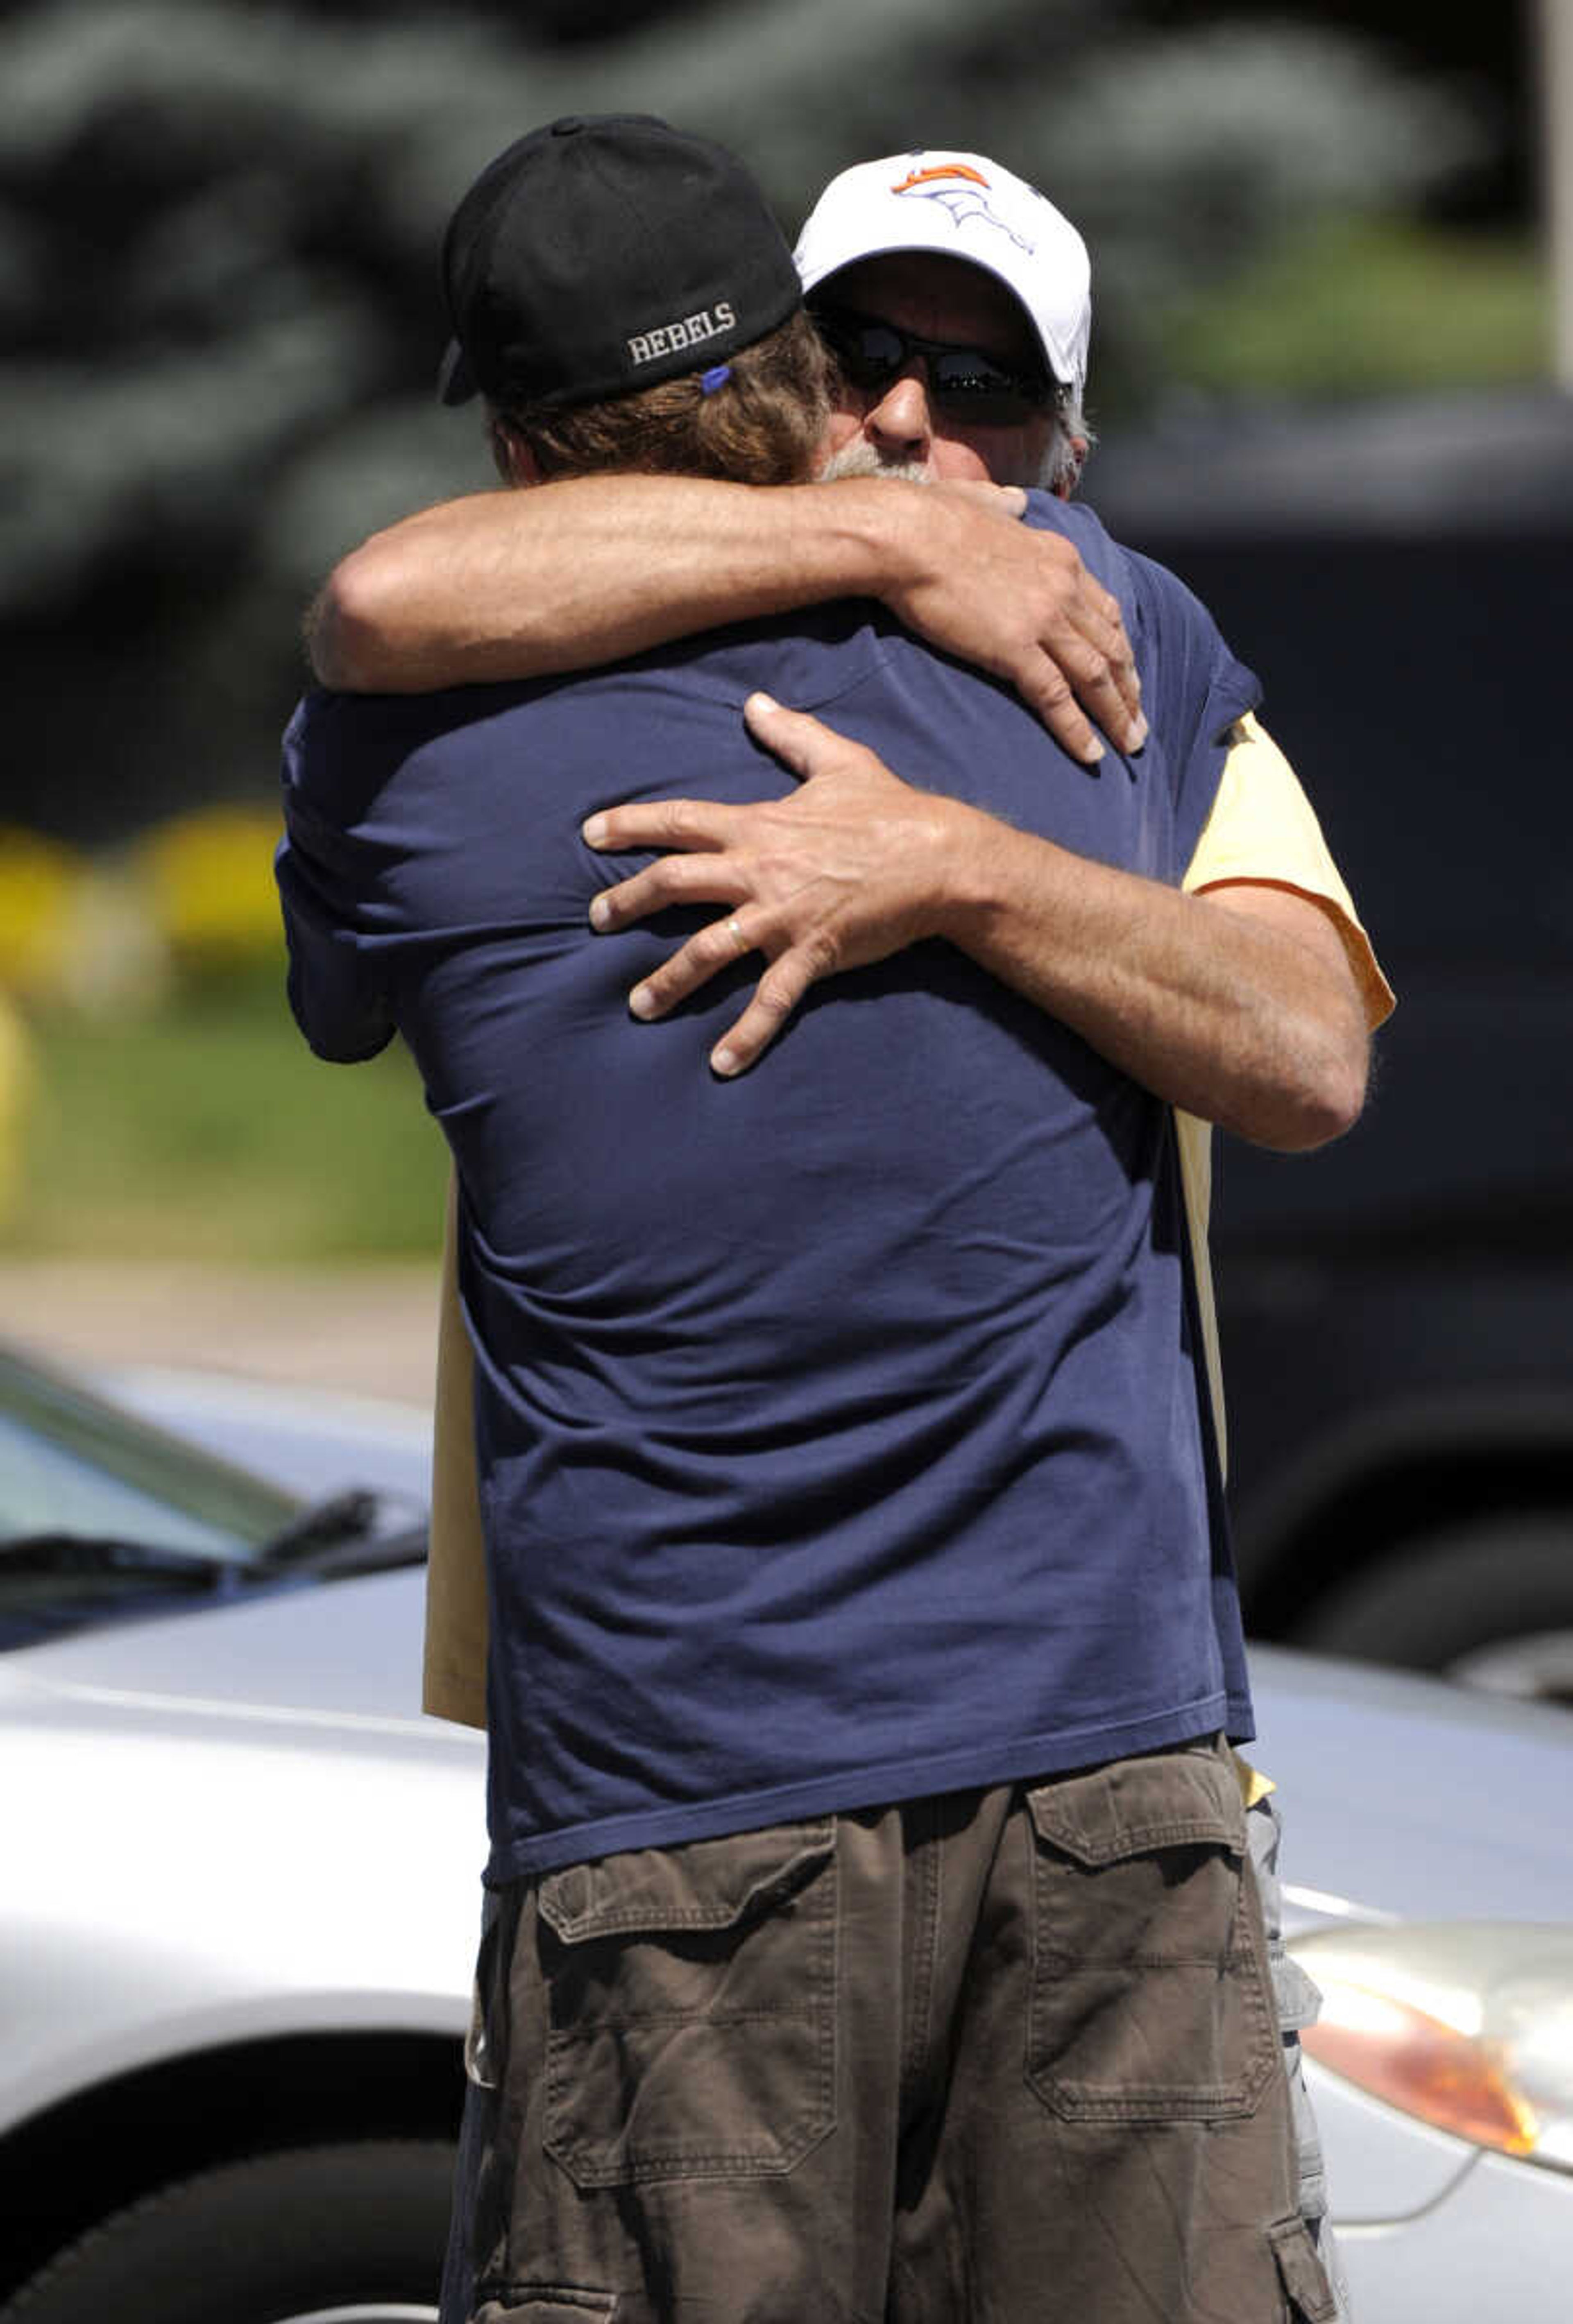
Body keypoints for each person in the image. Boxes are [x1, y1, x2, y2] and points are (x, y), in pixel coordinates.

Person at [279, 117, 1380, 2323]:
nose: (916, 419)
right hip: (1047, 1785)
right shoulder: (1108, 648)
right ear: (800, 369)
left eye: (979, 389)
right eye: (875, 354)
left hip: (699, 1814)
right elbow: (393, 594)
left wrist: (951, 869)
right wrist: (887, 569)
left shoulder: (389, 767)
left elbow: (1302, 1055)